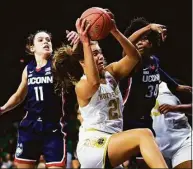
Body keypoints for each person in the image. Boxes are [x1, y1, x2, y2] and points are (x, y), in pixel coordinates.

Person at [52, 11, 168, 168]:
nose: (99, 56)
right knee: (144, 134)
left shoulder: (111, 73)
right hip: (94, 144)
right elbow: (94, 82)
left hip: (112, 142)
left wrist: (114, 30)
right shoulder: (82, 85)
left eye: (99, 52)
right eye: (94, 54)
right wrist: (85, 42)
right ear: (83, 61)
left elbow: (134, 57)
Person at [0, 30, 79, 168]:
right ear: (32, 48)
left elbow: (75, 57)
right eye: (41, 40)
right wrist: (3, 108)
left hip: (53, 128)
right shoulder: (28, 69)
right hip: (30, 126)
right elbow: (19, 96)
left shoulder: (57, 64)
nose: (46, 42)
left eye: (48, 39)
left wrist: (79, 42)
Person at [121, 17, 192, 134]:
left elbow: (159, 72)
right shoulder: (132, 62)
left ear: (151, 42)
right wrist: (148, 27)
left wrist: (176, 86)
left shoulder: (154, 61)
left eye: (143, 39)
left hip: (146, 118)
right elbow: (126, 44)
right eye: (136, 39)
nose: (138, 42)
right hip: (129, 119)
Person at [151, 81, 192, 168]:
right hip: (155, 149)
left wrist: (175, 108)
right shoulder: (134, 89)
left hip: (182, 143)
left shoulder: (172, 84)